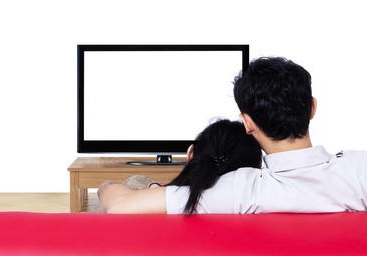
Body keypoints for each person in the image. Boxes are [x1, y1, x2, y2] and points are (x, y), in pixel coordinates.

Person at [98, 56, 367, 214]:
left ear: (247, 123)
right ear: (312, 108)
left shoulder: (240, 189)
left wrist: (106, 186)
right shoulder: (359, 168)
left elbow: (119, 205)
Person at [113, 119, 262, 214]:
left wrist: (154, 189)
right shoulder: (265, 197)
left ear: (191, 153)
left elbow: (113, 200)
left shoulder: (179, 198)